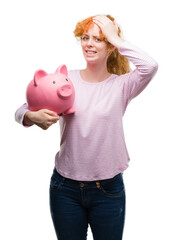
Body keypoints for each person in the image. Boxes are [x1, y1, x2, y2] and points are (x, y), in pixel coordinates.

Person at [15, 14, 158, 240]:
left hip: (108, 191)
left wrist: (116, 38)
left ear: (110, 46)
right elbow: (21, 111)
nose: (89, 44)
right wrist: (33, 117)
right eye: (85, 37)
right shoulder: (66, 80)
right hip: (65, 189)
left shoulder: (122, 85)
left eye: (99, 39)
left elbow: (150, 66)